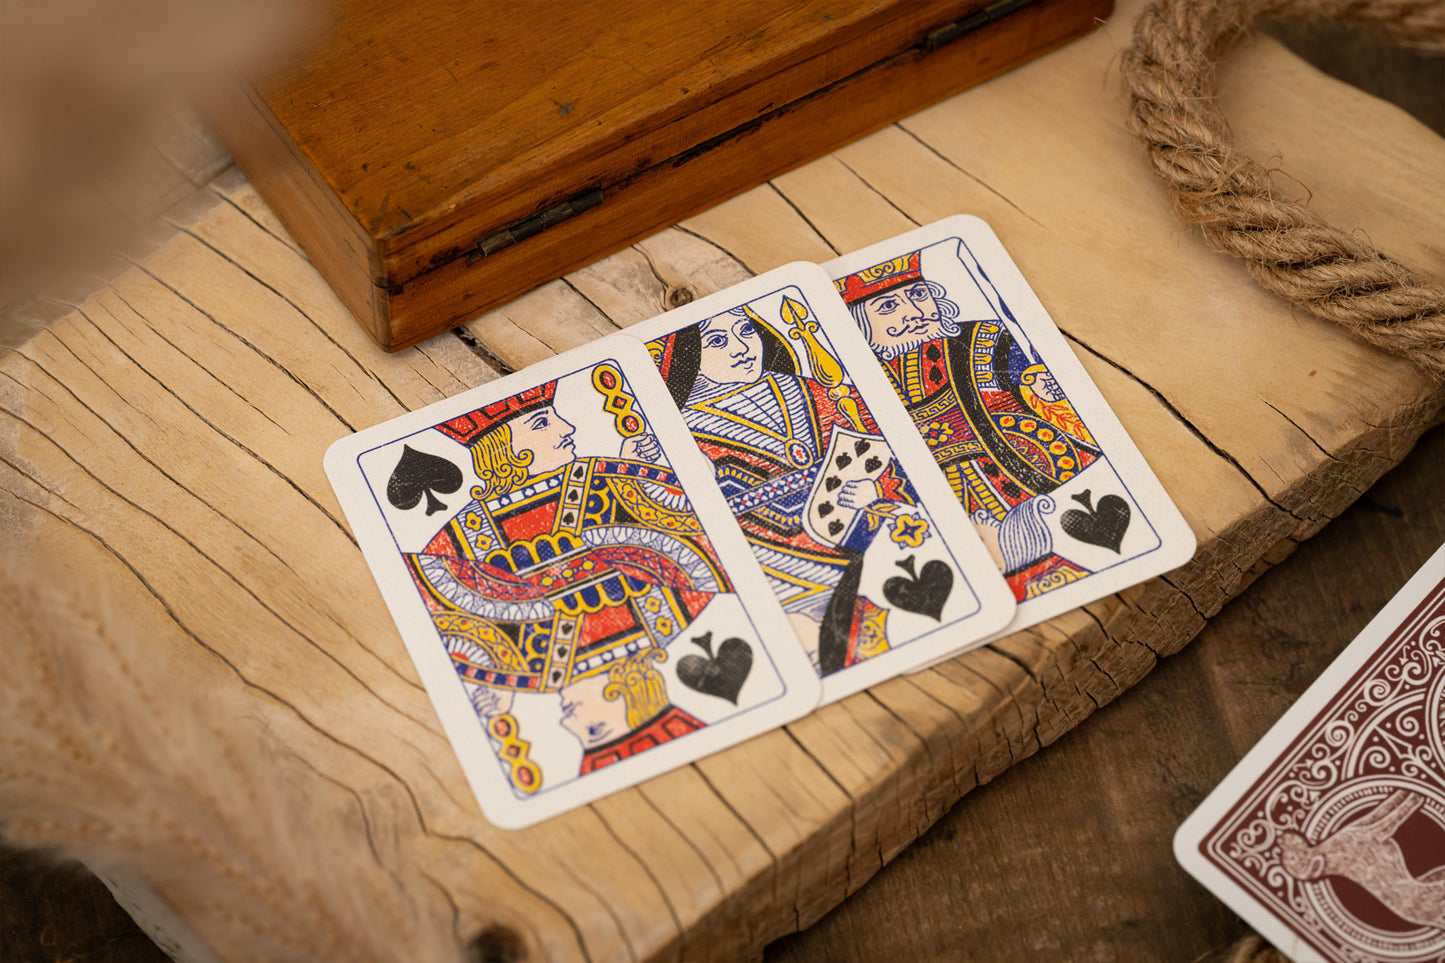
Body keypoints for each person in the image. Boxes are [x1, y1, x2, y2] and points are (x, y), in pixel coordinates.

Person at [406, 377, 722, 792]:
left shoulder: (609, 480)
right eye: (542, 424)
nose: (567, 428)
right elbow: (438, 603)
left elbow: (696, 542)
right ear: (508, 452)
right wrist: (486, 676)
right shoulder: (468, 532)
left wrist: (662, 476)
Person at [650, 304, 919, 675]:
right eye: (716, 341)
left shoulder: (808, 389)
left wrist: (876, 492)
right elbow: (685, 526)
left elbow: (885, 451)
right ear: (687, 360)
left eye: (745, 331)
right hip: (777, 568)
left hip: (864, 533)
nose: (740, 347)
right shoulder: (680, 436)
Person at [836, 251, 1104, 601]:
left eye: (918, 295)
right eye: (887, 308)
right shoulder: (859, 390)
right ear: (860, 325)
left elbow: (1041, 391)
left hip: (1019, 480)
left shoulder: (985, 339)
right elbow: (880, 457)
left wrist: (1040, 392)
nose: (913, 313)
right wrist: (879, 494)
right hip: (933, 505)